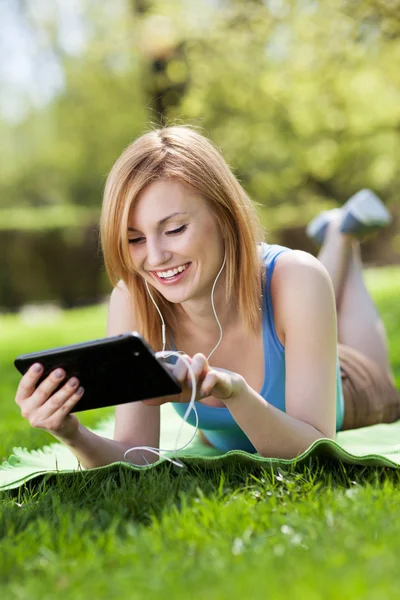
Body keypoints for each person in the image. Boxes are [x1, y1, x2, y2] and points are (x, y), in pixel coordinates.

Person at [15, 126, 400, 468]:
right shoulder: (133, 299)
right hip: (292, 329)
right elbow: (137, 455)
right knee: (306, 292)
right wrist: (70, 432)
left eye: (175, 229)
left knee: (328, 308)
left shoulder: (297, 277)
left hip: (354, 389)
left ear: (223, 214)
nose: (155, 257)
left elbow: (315, 450)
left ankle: (343, 236)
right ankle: (339, 232)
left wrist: (231, 391)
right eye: (134, 239)